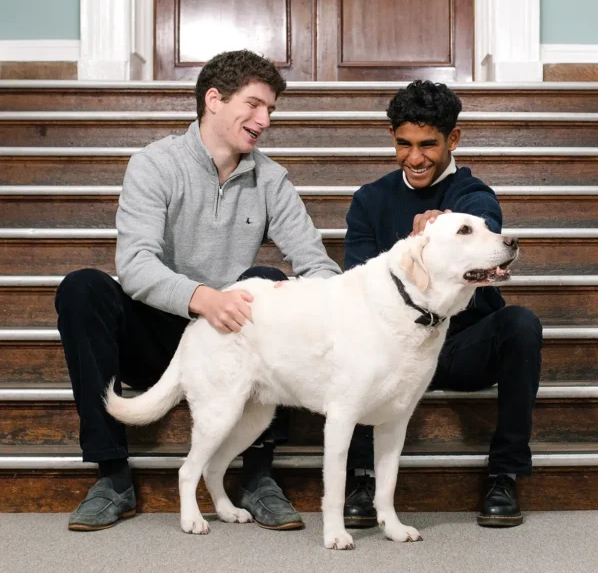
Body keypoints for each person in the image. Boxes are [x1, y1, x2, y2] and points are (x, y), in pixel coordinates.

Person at [55, 49, 341, 532]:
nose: (265, 119)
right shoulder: (155, 164)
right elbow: (137, 265)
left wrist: (318, 299)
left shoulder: (271, 179)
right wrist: (204, 297)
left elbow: (319, 267)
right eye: (254, 105)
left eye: (270, 109)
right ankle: (112, 478)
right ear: (214, 99)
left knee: (274, 282)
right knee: (82, 289)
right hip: (161, 335)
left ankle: (257, 478)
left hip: (233, 344)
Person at [342, 80, 542, 528]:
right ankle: (362, 477)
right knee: (352, 339)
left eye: (428, 144)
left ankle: (504, 474)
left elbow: (483, 215)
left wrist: (451, 224)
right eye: (403, 144)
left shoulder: (471, 193)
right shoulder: (369, 201)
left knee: (521, 325)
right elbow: (355, 287)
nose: (414, 158)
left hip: (458, 347)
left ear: (453, 139)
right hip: (393, 352)